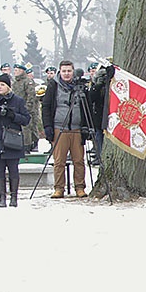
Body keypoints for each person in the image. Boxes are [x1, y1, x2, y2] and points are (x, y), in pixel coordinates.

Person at [41, 60, 91, 198]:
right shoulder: (53, 86)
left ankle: (80, 187)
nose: (67, 74)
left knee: (79, 161)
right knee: (59, 161)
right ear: (60, 72)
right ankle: (59, 188)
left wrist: (87, 126)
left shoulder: (80, 86)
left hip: (76, 128)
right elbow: (46, 107)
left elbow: (87, 105)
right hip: (59, 128)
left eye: (69, 71)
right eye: (64, 71)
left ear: (73, 71)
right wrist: (47, 126)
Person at [0, 73, 31, 207]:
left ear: (8, 87)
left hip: (13, 140)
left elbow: (26, 119)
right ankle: (2, 197)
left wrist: (13, 115)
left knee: (13, 170)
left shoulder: (17, 101)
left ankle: (14, 197)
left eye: (2, 85)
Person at [11, 63, 40, 152]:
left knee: (28, 127)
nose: (14, 72)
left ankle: (29, 145)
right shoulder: (15, 83)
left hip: (27, 109)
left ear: (21, 71)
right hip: (17, 108)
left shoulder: (28, 82)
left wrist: (27, 108)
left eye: (16, 70)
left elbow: (31, 96)